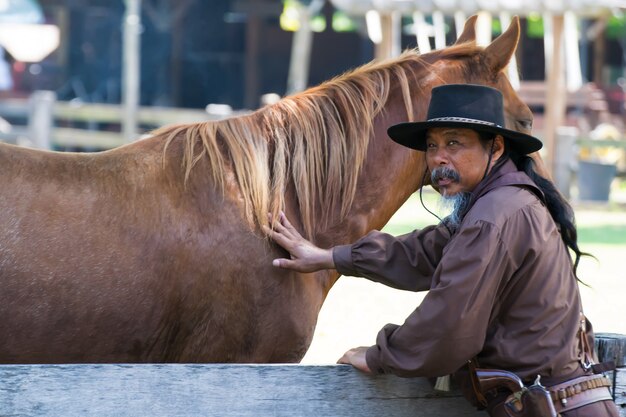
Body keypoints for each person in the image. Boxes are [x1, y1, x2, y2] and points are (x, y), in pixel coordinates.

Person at [264, 84, 619, 417]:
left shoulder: (495, 215)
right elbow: (423, 252)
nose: (438, 159)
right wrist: (328, 257)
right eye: (432, 146)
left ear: (494, 148)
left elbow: (451, 322)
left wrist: (380, 356)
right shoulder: (495, 204)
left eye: (454, 144)